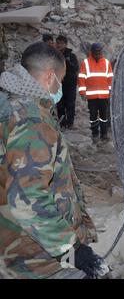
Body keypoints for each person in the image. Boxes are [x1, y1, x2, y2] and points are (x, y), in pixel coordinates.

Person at [0, 42, 108, 279]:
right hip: (37, 258)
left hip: (13, 245)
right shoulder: (32, 121)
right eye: (60, 79)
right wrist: (73, 250)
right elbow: (27, 199)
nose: (61, 87)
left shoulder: (9, 105)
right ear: (50, 77)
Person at [78, 43, 113, 143]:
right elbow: (81, 78)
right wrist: (82, 92)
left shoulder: (106, 63)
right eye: (96, 52)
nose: (98, 53)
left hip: (103, 95)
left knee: (104, 117)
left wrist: (110, 91)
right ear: (91, 52)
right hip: (91, 96)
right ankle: (95, 134)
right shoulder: (86, 63)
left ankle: (104, 134)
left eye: (99, 51)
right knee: (93, 116)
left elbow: (110, 78)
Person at [55, 35, 79, 129]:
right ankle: (62, 123)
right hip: (58, 83)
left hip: (70, 84)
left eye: (61, 43)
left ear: (65, 44)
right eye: (57, 43)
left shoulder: (71, 56)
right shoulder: (54, 55)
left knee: (70, 104)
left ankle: (70, 123)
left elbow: (75, 68)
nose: (59, 45)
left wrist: (67, 61)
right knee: (60, 104)